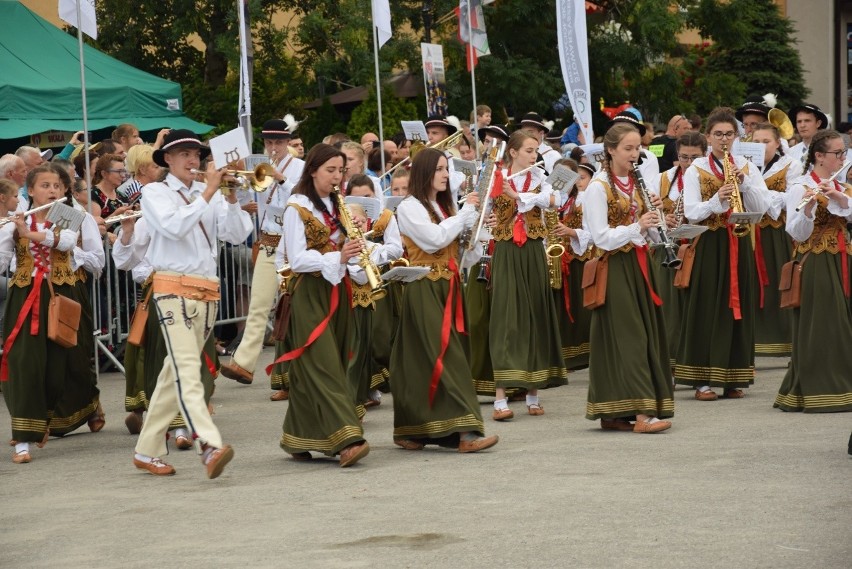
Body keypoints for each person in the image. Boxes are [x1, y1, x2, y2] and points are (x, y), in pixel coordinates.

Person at [132, 129, 252, 478]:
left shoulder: (207, 191)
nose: (192, 160)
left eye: (196, 154)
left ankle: (146, 449)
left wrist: (229, 197)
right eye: (183, 153)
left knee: (173, 375)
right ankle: (209, 443)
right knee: (187, 369)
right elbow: (172, 228)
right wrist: (211, 191)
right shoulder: (154, 192)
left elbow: (234, 234)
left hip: (207, 291)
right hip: (172, 289)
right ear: (167, 159)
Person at [391, 147, 498, 453]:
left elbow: (462, 256)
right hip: (423, 288)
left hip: (449, 286)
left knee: (424, 361)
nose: (445, 175)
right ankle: (466, 432)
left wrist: (477, 233)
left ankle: (414, 429)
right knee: (444, 357)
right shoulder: (410, 206)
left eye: (446, 169)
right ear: (425, 171)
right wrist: (466, 214)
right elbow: (434, 239)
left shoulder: (444, 208)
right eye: (439, 169)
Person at [271, 143, 370, 467]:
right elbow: (296, 258)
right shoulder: (296, 207)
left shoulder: (336, 204)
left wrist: (356, 251)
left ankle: (299, 436)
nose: (337, 177)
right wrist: (336, 256)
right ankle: (347, 439)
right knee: (323, 364)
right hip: (310, 294)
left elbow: (343, 248)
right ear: (312, 170)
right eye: (330, 170)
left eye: (341, 171)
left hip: (338, 290)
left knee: (328, 363)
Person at [582, 123, 674, 433]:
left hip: (638, 265)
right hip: (614, 268)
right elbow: (600, 237)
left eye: (638, 148)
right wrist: (638, 225)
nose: (635, 155)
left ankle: (615, 413)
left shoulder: (635, 184)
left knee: (642, 335)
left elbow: (642, 233)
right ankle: (643, 414)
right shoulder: (597, 187)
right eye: (628, 149)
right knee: (630, 338)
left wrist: (655, 218)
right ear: (610, 150)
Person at [675, 107, 771, 401]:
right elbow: (691, 211)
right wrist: (717, 200)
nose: (724, 139)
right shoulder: (697, 169)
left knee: (737, 306)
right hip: (709, 243)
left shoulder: (745, 166)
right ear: (708, 136)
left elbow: (764, 205)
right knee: (705, 306)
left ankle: (733, 376)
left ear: (737, 136)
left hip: (739, 240)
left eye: (729, 134)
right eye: (718, 134)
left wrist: (744, 186)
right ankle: (701, 380)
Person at [0, 164, 81, 463]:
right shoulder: (17, 218)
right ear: (30, 190)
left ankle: (41, 421)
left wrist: (30, 233)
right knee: (23, 361)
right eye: (45, 185)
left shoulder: (67, 214)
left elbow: (66, 242)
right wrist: (11, 229)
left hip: (59, 294)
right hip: (24, 293)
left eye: (57, 185)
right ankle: (22, 440)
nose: (52, 190)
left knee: (55, 369)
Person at [220, 119, 301, 403]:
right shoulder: (258, 169)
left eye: (279, 142)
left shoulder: (300, 168)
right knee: (258, 306)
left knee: (294, 312)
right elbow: (243, 197)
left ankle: (292, 376)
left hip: (293, 246)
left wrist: (280, 178)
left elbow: (303, 199)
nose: (274, 147)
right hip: (268, 243)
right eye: (269, 143)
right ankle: (244, 364)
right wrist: (234, 180)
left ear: (288, 142)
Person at [489, 131, 568, 421]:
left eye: (536, 151)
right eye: (529, 151)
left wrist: (518, 195)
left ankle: (533, 393)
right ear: (512, 152)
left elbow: (554, 198)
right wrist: (488, 216)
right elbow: (481, 209)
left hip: (533, 250)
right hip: (507, 251)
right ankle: (500, 397)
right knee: (507, 318)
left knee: (535, 314)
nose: (534, 156)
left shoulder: (538, 178)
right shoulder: (496, 176)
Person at [775, 129, 852, 413]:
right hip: (817, 260)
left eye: (843, 152)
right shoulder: (800, 186)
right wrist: (808, 208)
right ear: (819, 156)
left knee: (844, 323)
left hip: (844, 256)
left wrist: (841, 200)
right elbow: (795, 231)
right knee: (825, 325)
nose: (842, 158)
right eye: (838, 153)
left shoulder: (842, 185)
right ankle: (822, 389)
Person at [653, 132, 707, 370]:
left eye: (695, 158)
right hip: (669, 250)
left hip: (698, 246)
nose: (689, 163)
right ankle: (671, 364)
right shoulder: (663, 179)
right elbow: (647, 212)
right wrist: (665, 219)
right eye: (684, 157)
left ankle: (695, 366)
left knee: (697, 310)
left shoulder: (709, 178)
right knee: (670, 312)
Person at [750, 122, 803, 357]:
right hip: (749, 232)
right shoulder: (744, 166)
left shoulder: (790, 165)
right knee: (750, 284)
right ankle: (752, 338)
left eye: (766, 142)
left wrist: (759, 193)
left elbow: (790, 197)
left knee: (779, 283)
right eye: (756, 142)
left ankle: (783, 339)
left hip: (777, 232)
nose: (761, 147)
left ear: (777, 143)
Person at [554, 160, 595, 371]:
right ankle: (560, 354)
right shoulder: (550, 199)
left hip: (577, 259)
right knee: (559, 308)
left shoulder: (583, 199)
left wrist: (570, 232)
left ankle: (581, 355)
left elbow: (593, 232)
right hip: (554, 259)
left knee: (579, 308)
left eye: (570, 175)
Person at [91, 153, 129, 218]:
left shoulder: (123, 196)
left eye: (123, 171)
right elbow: (95, 226)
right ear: (104, 174)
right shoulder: (92, 195)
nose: (123, 175)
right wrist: (116, 214)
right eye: (118, 171)